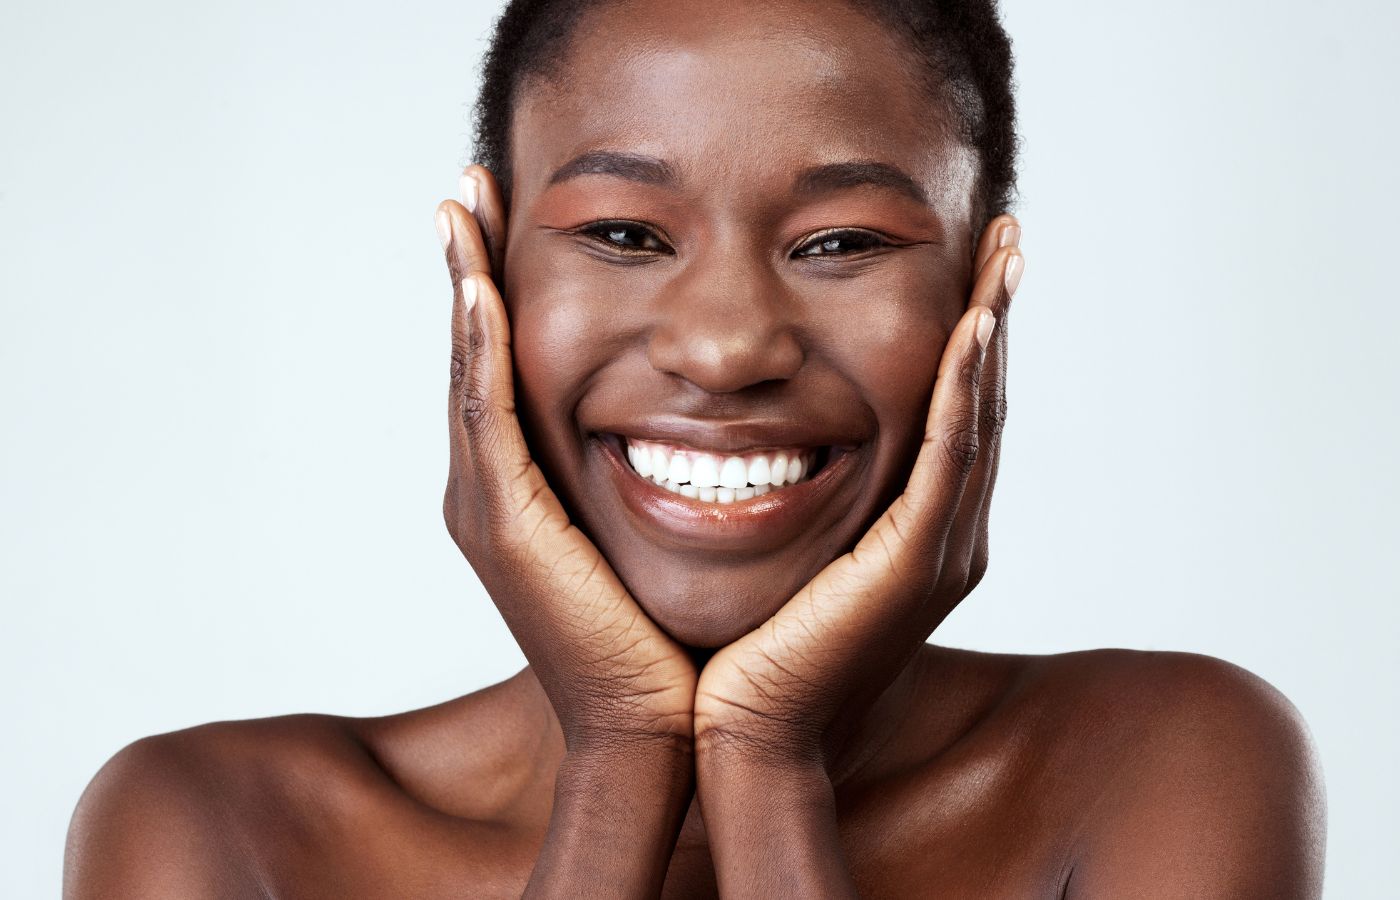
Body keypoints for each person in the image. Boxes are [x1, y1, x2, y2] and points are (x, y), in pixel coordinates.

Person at [64, 1, 1326, 896]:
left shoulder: (1160, 764)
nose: (724, 348)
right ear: (482, 268)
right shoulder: (221, 831)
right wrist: (620, 754)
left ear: (978, 293)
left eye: (839, 243)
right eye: (623, 234)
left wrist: (765, 764)